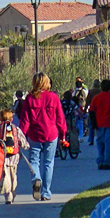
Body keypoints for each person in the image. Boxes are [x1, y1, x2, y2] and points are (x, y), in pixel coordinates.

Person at [19, 73, 66, 201]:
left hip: (35, 134)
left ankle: (36, 178)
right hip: (51, 133)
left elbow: (25, 120)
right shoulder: (53, 97)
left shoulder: (29, 99)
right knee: (48, 163)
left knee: (34, 160)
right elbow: (60, 118)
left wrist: (21, 136)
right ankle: (46, 192)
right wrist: (63, 134)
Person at [0, 108, 29, 204]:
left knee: (5, 175)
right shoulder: (15, 129)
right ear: (11, 119)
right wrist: (25, 145)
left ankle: (8, 195)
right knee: (13, 174)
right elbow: (23, 141)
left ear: (0, 119)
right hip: (14, 156)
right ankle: (13, 190)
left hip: (2, 155)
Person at [88, 79, 110, 170]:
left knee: (100, 143)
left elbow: (91, 111)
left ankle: (101, 161)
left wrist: (94, 124)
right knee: (109, 143)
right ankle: (108, 162)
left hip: (99, 124)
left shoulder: (96, 98)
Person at [85, 79, 102, 145]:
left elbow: (87, 101)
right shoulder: (101, 91)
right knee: (99, 125)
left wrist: (84, 110)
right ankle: (100, 138)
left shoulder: (91, 91)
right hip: (100, 110)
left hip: (92, 109)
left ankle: (91, 139)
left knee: (91, 125)